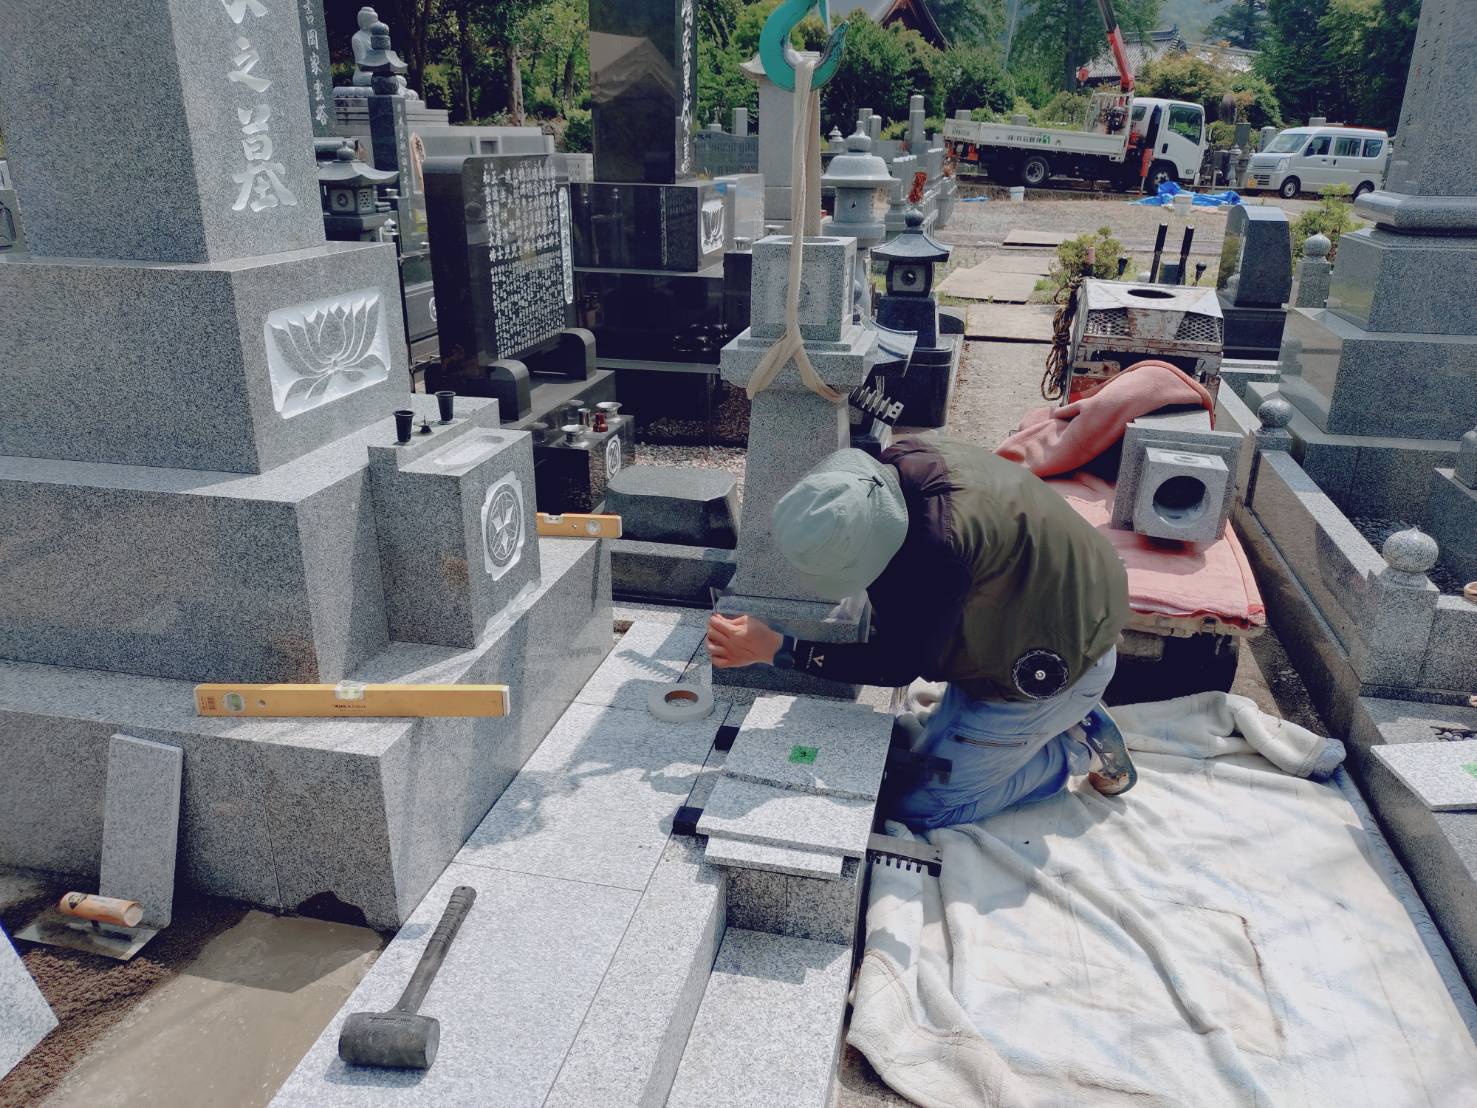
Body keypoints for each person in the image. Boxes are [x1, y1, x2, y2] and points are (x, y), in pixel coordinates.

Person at [706, 437, 1136, 830]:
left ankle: (1073, 750)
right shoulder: (903, 463)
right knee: (922, 756)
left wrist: (780, 649)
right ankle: (1058, 718)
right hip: (1060, 608)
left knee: (920, 805)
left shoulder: (933, 556)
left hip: (1052, 664)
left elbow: (896, 665)